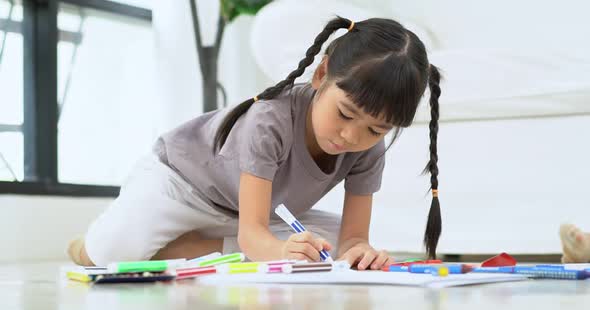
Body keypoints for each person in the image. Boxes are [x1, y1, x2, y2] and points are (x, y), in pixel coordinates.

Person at [68, 16, 443, 270]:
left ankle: (183, 247)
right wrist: (279, 251)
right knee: (109, 254)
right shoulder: (271, 120)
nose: (352, 136)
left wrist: (358, 251)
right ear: (321, 74)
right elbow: (253, 235)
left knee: (324, 248)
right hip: (181, 187)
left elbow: (354, 237)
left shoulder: (367, 148)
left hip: (248, 216)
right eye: (344, 114)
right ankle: (86, 245)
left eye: (376, 130)